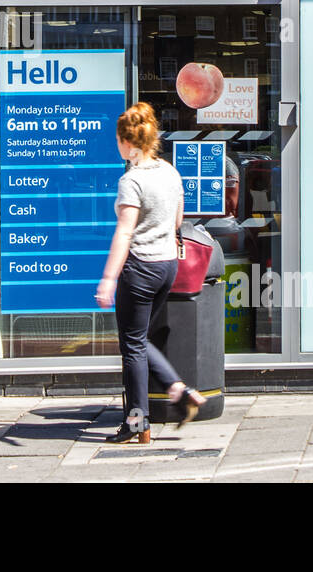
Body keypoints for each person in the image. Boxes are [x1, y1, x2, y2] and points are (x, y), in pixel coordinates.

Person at [95, 102, 207, 444]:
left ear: (127, 142)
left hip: (140, 269)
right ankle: (177, 388)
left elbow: (125, 233)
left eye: (118, 141)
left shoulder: (131, 181)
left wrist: (109, 278)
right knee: (139, 338)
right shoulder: (170, 172)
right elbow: (176, 222)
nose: (118, 147)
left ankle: (136, 422)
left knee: (132, 346)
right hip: (167, 266)